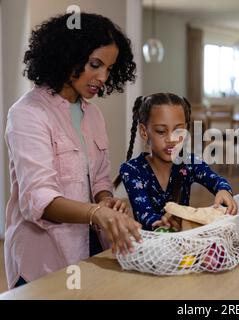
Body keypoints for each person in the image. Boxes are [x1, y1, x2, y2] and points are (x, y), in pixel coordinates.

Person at [4, 13, 142, 289]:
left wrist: (107, 201)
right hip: (43, 259)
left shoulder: (93, 115)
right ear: (67, 56)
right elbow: (39, 200)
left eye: (109, 68)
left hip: (90, 249)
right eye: (95, 64)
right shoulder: (28, 113)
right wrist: (96, 213)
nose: (102, 77)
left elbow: (101, 179)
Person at [114, 93, 238, 231]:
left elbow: (216, 180)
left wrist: (224, 190)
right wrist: (163, 223)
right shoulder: (132, 170)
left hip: (183, 245)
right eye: (161, 131)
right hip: (150, 248)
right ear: (144, 132)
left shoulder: (189, 162)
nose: (172, 139)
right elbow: (145, 215)